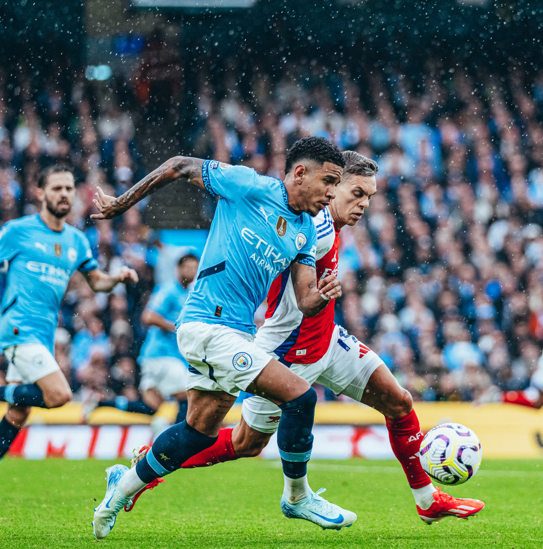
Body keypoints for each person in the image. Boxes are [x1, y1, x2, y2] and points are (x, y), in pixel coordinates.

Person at [131, 151, 484, 523]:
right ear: (331, 186)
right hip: (288, 351)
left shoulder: (329, 227)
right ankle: (149, 464)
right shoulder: (309, 226)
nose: (363, 204)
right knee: (244, 443)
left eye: (370, 197)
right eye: (356, 193)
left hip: (327, 341)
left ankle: (427, 500)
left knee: (399, 402)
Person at [89, 137, 351, 539]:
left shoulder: (303, 232)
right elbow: (177, 163)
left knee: (197, 432)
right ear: (300, 172)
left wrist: (324, 294)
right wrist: (121, 204)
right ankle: (297, 497)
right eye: (329, 180)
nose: (332, 192)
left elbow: (305, 300)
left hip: (238, 334)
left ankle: (119, 489)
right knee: (300, 397)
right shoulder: (248, 185)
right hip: (206, 326)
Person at [0, 165, 139, 501]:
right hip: (17, 326)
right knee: (58, 395)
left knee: (19, 411)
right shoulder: (19, 230)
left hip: (42, 334)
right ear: (40, 193)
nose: (64, 195)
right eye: (56, 188)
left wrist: (116, 277)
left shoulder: (75, 240)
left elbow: (96, 281)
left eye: (69, 189)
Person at [83, 254, 199, 425]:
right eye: (187, 267)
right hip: (162, 356)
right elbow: (148, 316)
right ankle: (177, 444)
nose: (191, 271)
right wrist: (176, 328)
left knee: (150, 407)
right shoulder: (169, 290)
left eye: (194, 268)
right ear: (178, 268)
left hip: (159, 357)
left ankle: (101, 403)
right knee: (188, 396)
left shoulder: (189, 294)